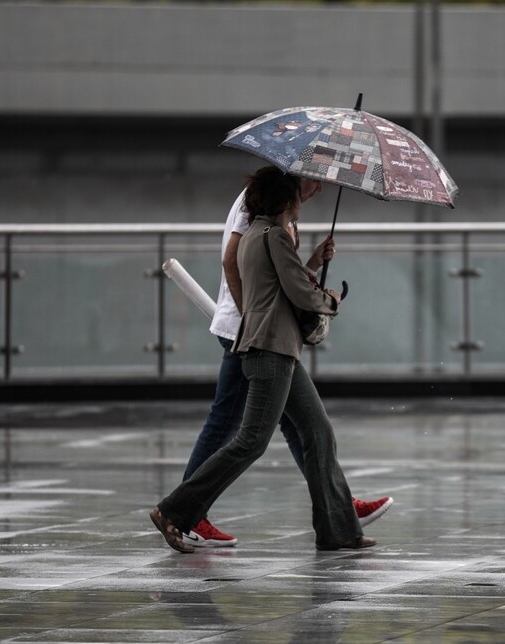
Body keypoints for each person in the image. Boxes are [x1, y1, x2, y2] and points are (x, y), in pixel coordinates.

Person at [151, 169, 376, 553]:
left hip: (275, 348)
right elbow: (299, 294)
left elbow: (277, 285)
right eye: (300, 190)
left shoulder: (258, 235)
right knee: (250, 440)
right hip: (271, 350)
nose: (312, 193)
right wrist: (331, 302)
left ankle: (338, 529)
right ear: (283, 198)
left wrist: (312, 261)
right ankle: (176, 510)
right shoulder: (274, 236)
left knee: (317, 431)